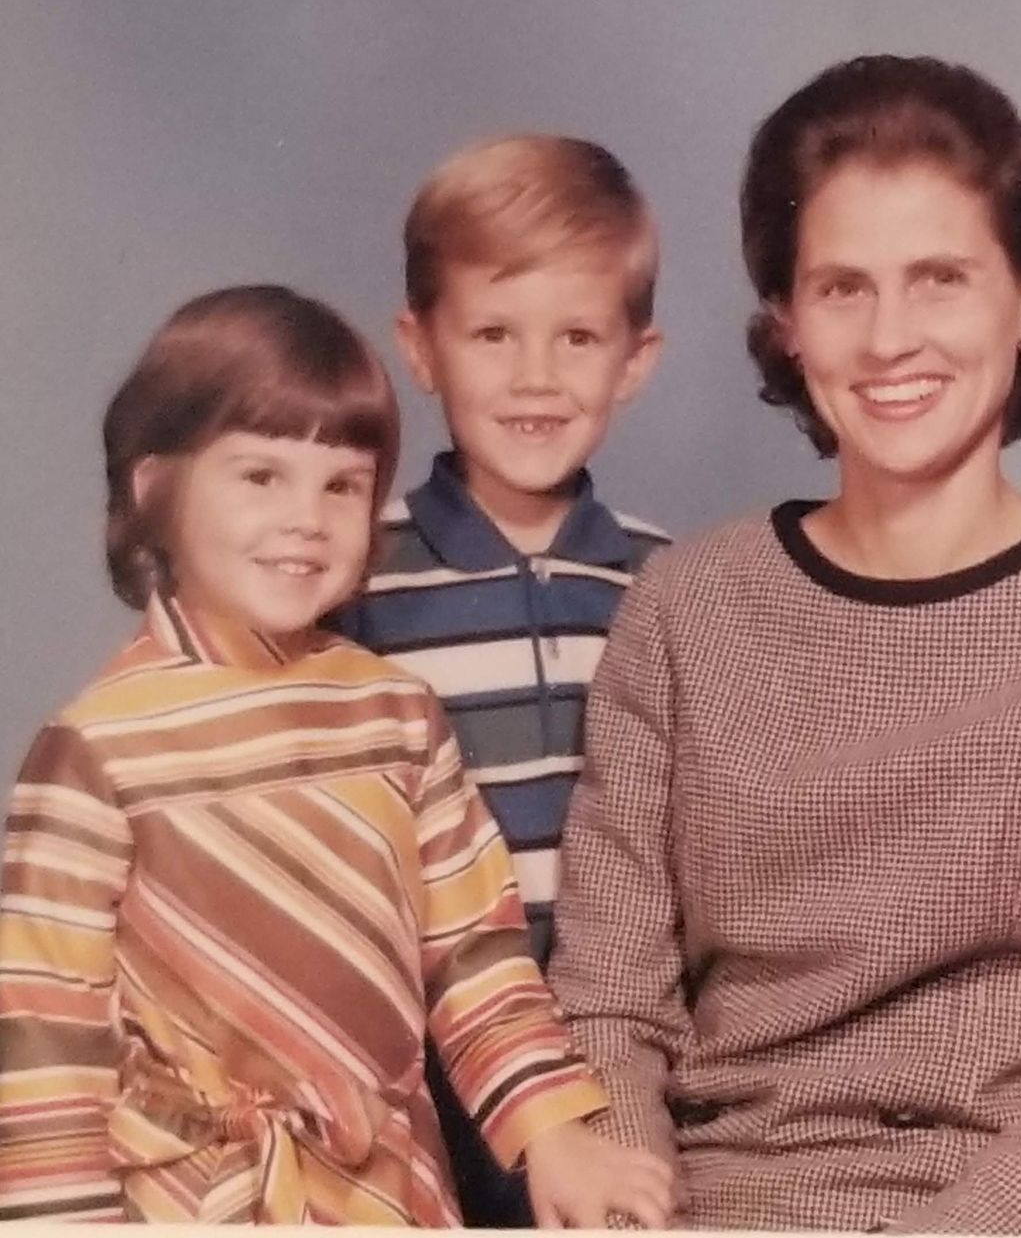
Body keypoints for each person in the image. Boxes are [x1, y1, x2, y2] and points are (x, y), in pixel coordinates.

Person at [549, 54, 1021, 1233]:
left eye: (940, 279)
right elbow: (608, 1005)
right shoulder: (684, 608)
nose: (889, 338)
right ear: (787, 321)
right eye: (841, 288)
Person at [0, 285, 673, 1227]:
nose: (307, 519)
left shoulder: (395, 713)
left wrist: (550, 1131)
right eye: (260, 477)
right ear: (154, 488)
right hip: (185, 1205)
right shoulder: (95, 750)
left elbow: (473, 957)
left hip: (390, 1195)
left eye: (343, 485)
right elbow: (46, 1041)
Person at [330, 134, 665, 1224]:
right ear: (420, 347)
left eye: (578, 336)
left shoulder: (666, 583)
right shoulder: (354, 575)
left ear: (634, 360)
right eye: (492, 333)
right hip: (418, 1063)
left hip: (615, 1064)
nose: (535, 377)